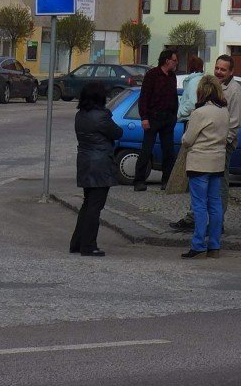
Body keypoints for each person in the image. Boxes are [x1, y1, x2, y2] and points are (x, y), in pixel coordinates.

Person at [170, 54, 241, 233]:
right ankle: (194, 218)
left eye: (223, 69)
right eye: (217, 68)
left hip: (221, 146)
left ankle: (217, 223)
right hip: (203, 146)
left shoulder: (234, 91)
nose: (219, 72)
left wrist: (222, 142)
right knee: (199, 185)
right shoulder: (211, 85)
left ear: (231, 71)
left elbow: (235, 122)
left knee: (219, 186)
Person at [69, 80, 121, 257]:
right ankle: (88, 245)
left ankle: (77, 242)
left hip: (84, 162)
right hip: (100, 165)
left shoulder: (80, 115)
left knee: (87, 204)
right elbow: (117, 132)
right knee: (94, 207)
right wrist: (107, 114)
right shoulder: (101, 116)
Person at [179, 73, 228, 258]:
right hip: (217, 161)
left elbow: (188, 140)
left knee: (199, 205)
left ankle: (198, 244)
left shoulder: (199, 113)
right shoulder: (224, 111)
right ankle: (214, 245)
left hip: (199, 161)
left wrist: (184, 137)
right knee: (215, 204)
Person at [133, 47, 179, 190]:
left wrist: (174, 115)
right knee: (146, 150)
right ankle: (139, 181)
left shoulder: (172, 76)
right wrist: (144, 117)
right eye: (174, 60)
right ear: (167, 61)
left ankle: (166, 181)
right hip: (153, 118)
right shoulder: (152, 75)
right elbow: (144, 97)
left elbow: (173, 97)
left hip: (168, 119)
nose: (176, 63)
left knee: (168, 152)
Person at [176, 54, 206, 120]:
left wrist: (179, 113)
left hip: (190, 119)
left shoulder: (194, 82)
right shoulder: (200, 79)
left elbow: (193, 103)